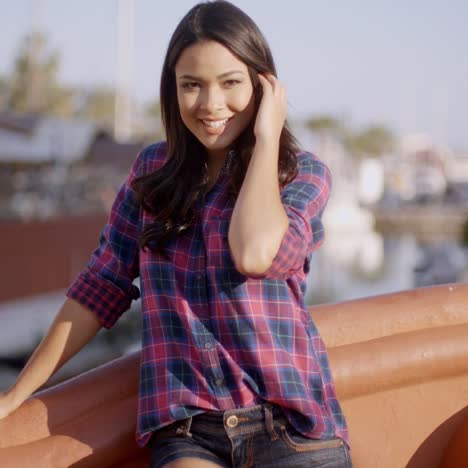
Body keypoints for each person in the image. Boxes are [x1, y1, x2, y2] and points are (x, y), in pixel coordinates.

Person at [0, 1, 352, 467]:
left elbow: (253, 254)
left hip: (292, 429)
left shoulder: (301, 174)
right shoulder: (151, 172)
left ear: (264, 86)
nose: (210, 105)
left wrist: (267, 139)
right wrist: (15, 395)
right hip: (191, 434)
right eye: (192, 85)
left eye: (231, 83)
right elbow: (99, 288)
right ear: (173, 90)